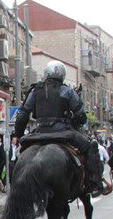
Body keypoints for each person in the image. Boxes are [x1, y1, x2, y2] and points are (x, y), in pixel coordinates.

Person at [15, 60, 105, 196]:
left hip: (39, 132)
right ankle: (95, 184)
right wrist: (74, 121)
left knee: (20, 154)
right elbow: (81, 116)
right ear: (62, 75)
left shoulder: (35, 91)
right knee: (91, 147)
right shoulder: (67, 91)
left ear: (46, 74)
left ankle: (15, 185)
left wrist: (19, 135)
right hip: (64, 133)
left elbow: (22, 115)